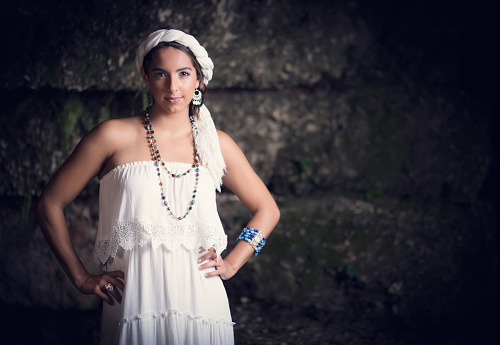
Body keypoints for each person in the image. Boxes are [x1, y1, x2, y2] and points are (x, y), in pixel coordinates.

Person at [35, 28, 280, 345]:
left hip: (202, 301)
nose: (173, 86)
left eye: (183, 73)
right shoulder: (112, 135)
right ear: (145, 77)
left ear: (198, 80)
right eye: (160, 74)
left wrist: (234, 261)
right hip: (137, 301)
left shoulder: (215, 144)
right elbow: (48, 205)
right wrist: (80, 278)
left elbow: (268, 210)